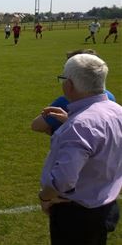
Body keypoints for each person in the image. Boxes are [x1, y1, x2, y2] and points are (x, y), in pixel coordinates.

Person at [38, 54, 122, 245]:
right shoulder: (117, 111)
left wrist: (44, 197)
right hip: (106, 206)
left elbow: (64, 179)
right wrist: (70, 121)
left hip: (77, 215)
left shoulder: (80, 126)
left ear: (69, 84)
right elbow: (102, 140)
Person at [31, 49, 116, 135]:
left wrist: (61, 128)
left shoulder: (66, 101)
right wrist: (69, 120)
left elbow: (36, 125)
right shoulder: (110, 99)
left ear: (70, 83)